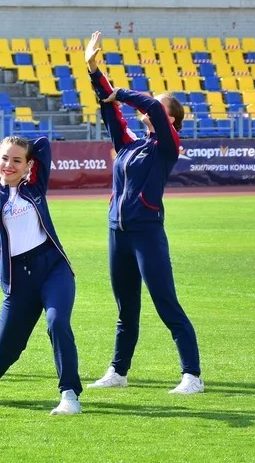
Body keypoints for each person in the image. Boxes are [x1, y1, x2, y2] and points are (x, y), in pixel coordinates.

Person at [84, 31, 202, 395]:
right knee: (125, 308)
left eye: (159, 106)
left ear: (171, 119)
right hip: (117, 231)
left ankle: (192, 376)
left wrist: (123, 92)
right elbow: (108, 108)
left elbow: (147, 106)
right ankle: (119, 371)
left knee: (165, 301)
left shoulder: (167, 145)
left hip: (147, 232)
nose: (150, 108)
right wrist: (93, 70)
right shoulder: (129, 145)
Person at [0, 136, 82, 416]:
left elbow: (42, 144)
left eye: (17, 160)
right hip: (19, 281)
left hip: (54, 268)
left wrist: (24, 152)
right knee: (7, 352)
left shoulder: (35, 186)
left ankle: (69, 395)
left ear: (29, 165)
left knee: (57, 322)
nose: (9, 165)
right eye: (4, 158)